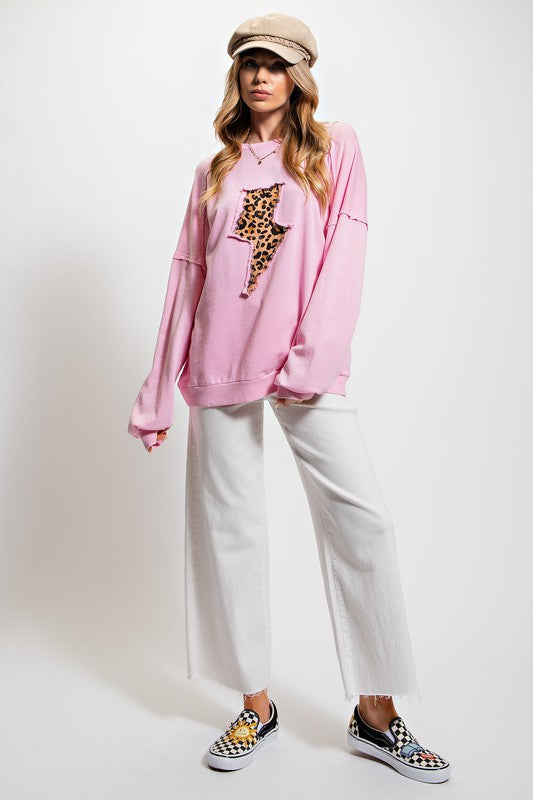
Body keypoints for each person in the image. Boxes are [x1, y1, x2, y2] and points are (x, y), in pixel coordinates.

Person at [127, 12, 451, 784]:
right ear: (236, 75)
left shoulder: (335, 147)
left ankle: (377, 715)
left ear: (299, 74)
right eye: (249, 63)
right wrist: (156, 394)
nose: (259, 76)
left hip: (302, 366)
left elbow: (345, 249)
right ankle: (254, 705)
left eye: (274, 63)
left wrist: (314, 357)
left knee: (362, 523)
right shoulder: (213, 170)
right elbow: (186, 278)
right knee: (229, 531)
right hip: (218, 363)